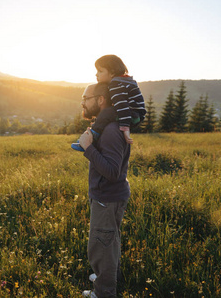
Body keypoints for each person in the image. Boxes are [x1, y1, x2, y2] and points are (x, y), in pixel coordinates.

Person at [78, 82, 131, 298]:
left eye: (86, 97)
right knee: (109, 243)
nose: (82, 102)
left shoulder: (110, 131)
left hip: (107, 200)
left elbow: (111, 171)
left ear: (100, 100)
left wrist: (88, 148)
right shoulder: (108, 126)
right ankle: (105, 279)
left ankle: (104, 293)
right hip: (109, 198)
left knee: (102, 248)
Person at [72, 55, 146, 152]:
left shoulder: (116, 84)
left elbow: (122, 107)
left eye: (100, 71)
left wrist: (125, 128)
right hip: (135, 114)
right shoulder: (124, 81)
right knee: (108, 114)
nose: (96, 74)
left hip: (132, 115)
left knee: (106, 113)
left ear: (112, 73)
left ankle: (91, 139)